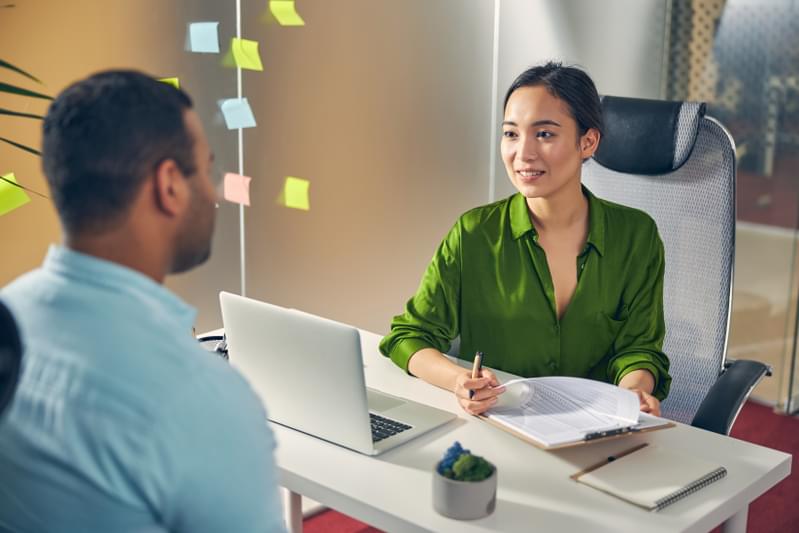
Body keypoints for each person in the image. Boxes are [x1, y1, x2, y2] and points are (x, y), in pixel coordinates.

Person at [0, 71, 286, 532]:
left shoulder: (7, 316)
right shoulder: (199, 400)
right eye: (207, 170)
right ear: (169, 185)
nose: (213, 193)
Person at [380, 62, 671, 418]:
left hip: (596, 430)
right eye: (511, 134)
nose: (523, 153)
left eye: (545, 134)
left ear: (588, 141)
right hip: (499, 425)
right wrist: (460, 381)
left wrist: (634, 393)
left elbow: (639, 348)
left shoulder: (636, 236)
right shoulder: (474, 233)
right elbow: (409, 336)